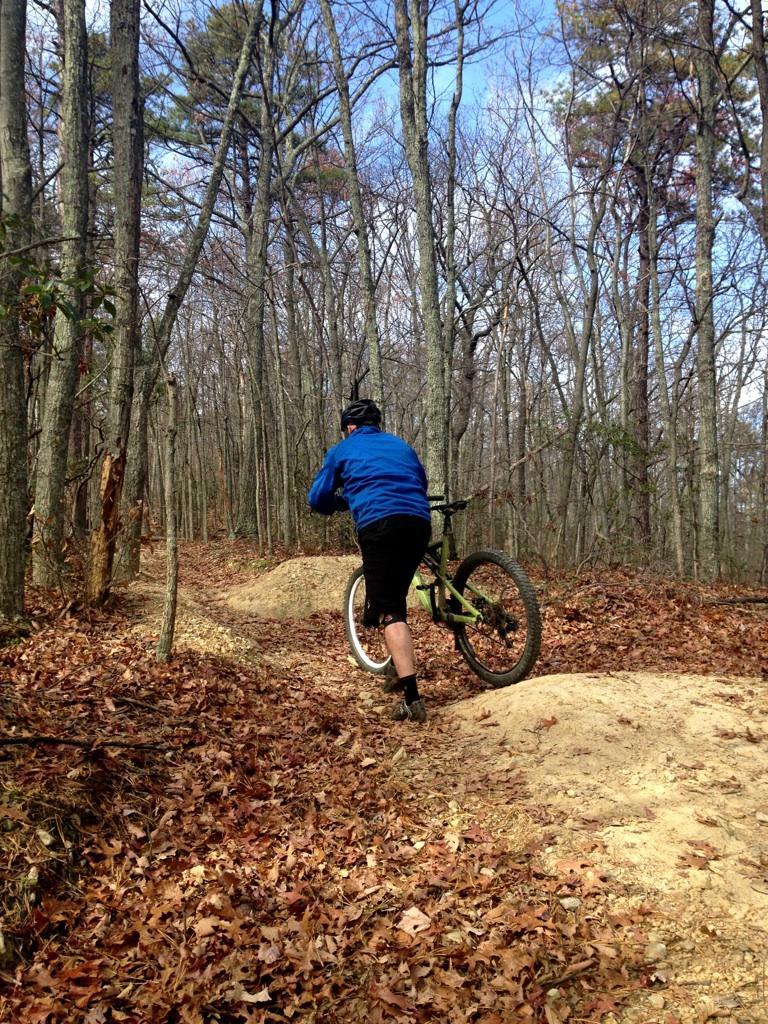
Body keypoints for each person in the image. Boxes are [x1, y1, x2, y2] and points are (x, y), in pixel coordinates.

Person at [308, 399, 431, 722]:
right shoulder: (401, 445)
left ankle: (412, 699)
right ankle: (395, 666)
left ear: (350, 427)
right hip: (418, 522)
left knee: (390, 611)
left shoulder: (342, 450)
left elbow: (317, 498)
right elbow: (421, 481)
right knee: (397, 597)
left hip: (379, 524)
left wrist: (338, 504)